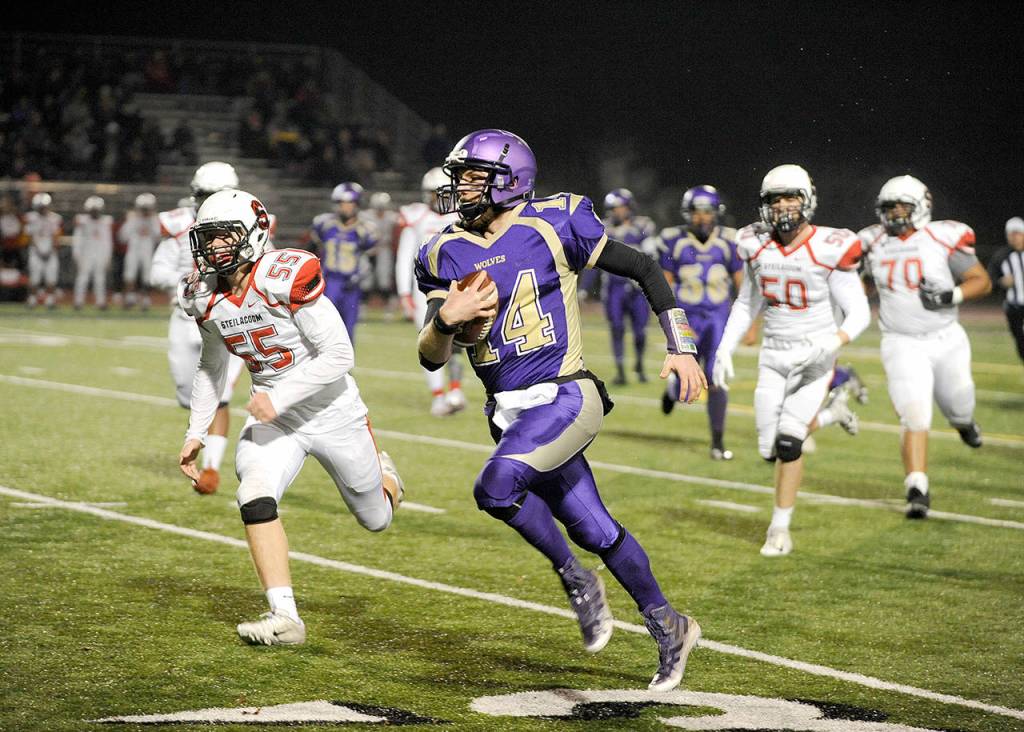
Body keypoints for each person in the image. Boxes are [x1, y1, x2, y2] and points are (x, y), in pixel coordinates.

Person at [415, 129, 706, 692]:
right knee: (596, 529)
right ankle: (670, 623)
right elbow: (431, 356)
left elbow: (644, 268)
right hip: (508, 411)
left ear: (509, 182)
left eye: (473, 177)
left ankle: (574, 577)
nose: (461, 188)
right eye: (460, 177)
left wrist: (681, 345)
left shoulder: (555, 221)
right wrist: (446, 320)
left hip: (566, 394)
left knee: (495, 487)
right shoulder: (441, 250)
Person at [178, 189, 404, 646]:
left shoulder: (282, 276)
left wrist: (279, 397)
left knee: (376, 519)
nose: (215, 248)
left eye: (225, 236)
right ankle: (285, 617)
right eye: (208, 238)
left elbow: (339, 354)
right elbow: (211, 365)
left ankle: (387, 475)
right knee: (253, 493)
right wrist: (196, 430)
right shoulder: (205, 296)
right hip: (275, 420)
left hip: (332, 412)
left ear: (255, 234)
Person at [713, 165, 870, 556]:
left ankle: (779, 530)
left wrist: (833, 342)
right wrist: (724, 347)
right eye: (775, 198)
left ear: (807, 200)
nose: (783, 205)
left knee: (789, 442)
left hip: (815, 359)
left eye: (791, 197)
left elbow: (859, 312)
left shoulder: (829, 245)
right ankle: (833, 413)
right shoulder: (754, 242)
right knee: (769, 449)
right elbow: (747, 302)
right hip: (773, 356)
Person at [859, 175, 991, 519]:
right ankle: (917, 488)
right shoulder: (873, 242)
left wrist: (951, 295)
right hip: (900, 341)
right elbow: (865, 284)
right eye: (889, 207)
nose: (895, 213)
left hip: (945, 339)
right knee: (914, 413)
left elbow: (981, 281)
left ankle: (964, 424)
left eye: (902, 206)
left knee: (959, 406)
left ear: (921, 207)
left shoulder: (941, 237)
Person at [151, 162, 248, 494]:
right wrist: (189, 284)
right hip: (186, 317)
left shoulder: (247, 223)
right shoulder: (180, 225)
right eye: (206, 195)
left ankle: (211, 470)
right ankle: (199, 447)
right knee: (188, 393)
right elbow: (157, 271)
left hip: (228, 317)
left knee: (221, 396)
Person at [654, 185, 742, 460]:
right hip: (686, 317)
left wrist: (749, 323)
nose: (702, 217)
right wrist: (672, 321)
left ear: (716, 212)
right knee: (685, 378)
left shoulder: (730, 240)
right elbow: (664, 284)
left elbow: (741, 283)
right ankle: (672, 389)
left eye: (707, 211)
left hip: (718, 318)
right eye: (696, 211)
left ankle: (717, 442)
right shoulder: (673, 239)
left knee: (716, 377)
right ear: (687, 213)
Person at [396, 167, 465, 416]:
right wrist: (404, 293)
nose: (437, 198)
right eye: (434, 193)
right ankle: (438, 396)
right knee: (429, 342)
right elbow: (405, 257)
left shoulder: (461, 216)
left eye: (441, 192)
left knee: (457, 341)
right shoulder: (417, 217)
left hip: (455, 286)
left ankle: (455, 390)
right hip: (423, 289)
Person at [309, 182, 378, 344]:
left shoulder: (365, 230)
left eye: (350, 203)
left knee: (348, 329)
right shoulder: (325, 224)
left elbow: (371, 259)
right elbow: (310, 251)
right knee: (324, 327)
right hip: (329, 281)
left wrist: (361, 277)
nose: (346, 207)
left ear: (357, 204)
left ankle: (346, 360)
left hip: (352, 284)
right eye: (343, 203)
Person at [601, 189, 657, 385]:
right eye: (614, 208)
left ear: (629, 207)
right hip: (614, 288)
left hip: (637, 289)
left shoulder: (643, 226)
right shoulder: (602, 228)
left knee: (640, 331)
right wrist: (583, 287)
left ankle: (640, 364)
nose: (617, 212)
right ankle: (620, 372)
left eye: (621, 208)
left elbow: (651, 255)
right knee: (616, 328)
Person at [988, 216, 1024, 366]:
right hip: (1013, 306)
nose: (1014, 237)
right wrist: (1001, 282)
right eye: (1011, 234)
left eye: (1017, 233)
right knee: (1020, 339)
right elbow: (989, 280)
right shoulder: (1001, 257)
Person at [119, 193, 161, 310]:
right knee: (129, 274)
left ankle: (145, 298)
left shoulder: (154, 220)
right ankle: (130, 297)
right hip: (133, 250)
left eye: (147, 209)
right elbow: (122, 236)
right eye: (144, 209)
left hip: (147, 251)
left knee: (147, 276)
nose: (145, 211)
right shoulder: (133, 219)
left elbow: (158, 236)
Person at [72, 196, 114, 310]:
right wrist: (76, 255)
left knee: (100, 279)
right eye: (93, 210)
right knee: (82, 278)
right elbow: (77, 239)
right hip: (86, 254)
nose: (95, 212)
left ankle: (101, 302)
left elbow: (108, 241)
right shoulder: (82, 221)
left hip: (100, 254)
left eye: (96, 210)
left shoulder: (105, 221)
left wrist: (108, 257)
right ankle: (78, 301)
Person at [24, 192, 63, 309]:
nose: (43, 209)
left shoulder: (55, 218)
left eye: (44, 207)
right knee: (34, 278)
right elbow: (29, 237)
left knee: (51, 278)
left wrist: (51, 251)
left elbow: (56, 236)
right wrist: (39, 251)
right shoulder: (30, 217)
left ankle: (50, 301)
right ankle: (32, 300)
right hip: (36, 252)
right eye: (40, 207)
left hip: (50, 252)